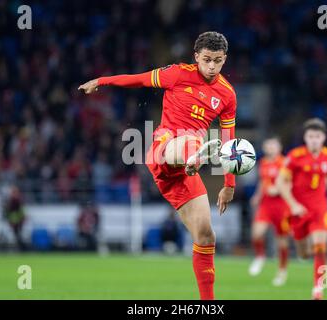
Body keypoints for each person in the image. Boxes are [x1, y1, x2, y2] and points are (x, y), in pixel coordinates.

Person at [79, 31, 236, 300]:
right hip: (164, 149)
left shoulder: (227, 94)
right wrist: (102, 81)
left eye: (218, 61)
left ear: (224, 60)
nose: (212, 66)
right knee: (189, 140)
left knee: (206, 236)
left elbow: (229, 141)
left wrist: (229, 185)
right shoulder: (176, 73)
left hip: (183, 176)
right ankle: (194, 155)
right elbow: (138, 79)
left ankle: (208, 304)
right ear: (196, 56)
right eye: (207, 60)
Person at [276, 118, 327, 300]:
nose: (314, 139)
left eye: (318, 136)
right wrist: (293, 205)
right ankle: (317, 275)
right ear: (305, 138)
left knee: (321, 247)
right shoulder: (295, 156)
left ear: (324, 137)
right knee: (304, 253)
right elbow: (280, 182)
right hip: (298, 211)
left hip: (320, 208)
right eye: (310, 136)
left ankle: (319, 288)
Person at [248, 137, 291, 286]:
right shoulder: (263, 162)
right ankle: (260, 256)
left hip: (282, 205)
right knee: (256, 233)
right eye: (268, 145)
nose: (270, 148)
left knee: (282, 241)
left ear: (279, 147)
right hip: (266, 205)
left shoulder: (285, 163)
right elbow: (262, 182)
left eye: (273, 145)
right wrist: (257, 196)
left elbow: (292, 183)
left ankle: (282, 270)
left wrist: (278, 189)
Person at [2, 185, 26, 251]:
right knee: (17, 235)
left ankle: (21, 248)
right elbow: (9, 211)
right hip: (14, 220)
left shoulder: (17, 200)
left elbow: (20, 211)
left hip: (17, 221)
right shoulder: (13, 200)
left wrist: (23, 218)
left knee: (18, 235)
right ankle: (20, 248)